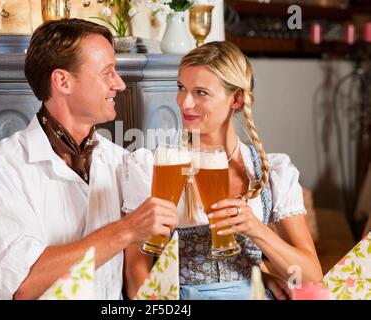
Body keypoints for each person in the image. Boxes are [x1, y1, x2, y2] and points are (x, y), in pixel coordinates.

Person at [0, 18, 178, 300]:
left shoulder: (122, 162)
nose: (119, 84)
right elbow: (22, 285)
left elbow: (135, 279)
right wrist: (127, 230)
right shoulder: (2, 168)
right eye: (107, 73)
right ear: (63, 81)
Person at [123, 41, 323, 300]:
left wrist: (256, 230)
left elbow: (309, 275)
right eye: (181, 88)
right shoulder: (154, 168)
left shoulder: (270, 170)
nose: (185, 103)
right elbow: (135, 269)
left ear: (237, 99)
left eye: (201, 93)